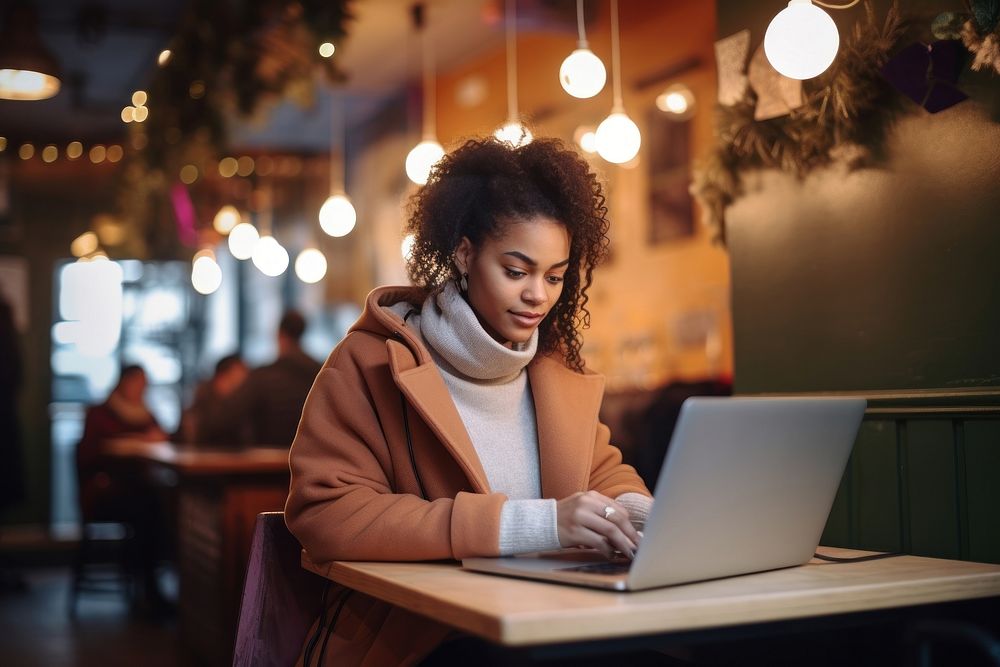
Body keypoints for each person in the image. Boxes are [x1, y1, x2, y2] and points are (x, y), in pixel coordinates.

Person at [285, 136, 653, 666]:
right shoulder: (369, 363)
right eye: (516, 271)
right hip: (417, 638)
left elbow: (603, 473)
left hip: (552, 622)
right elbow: (325, 512)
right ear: (463, 253)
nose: (538, 297)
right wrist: (531, 526)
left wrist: (641, 514)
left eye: (555, 276)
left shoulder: (555, 373)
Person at [76, 364, 170, 613]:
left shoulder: (145, 413)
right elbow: (88, 456)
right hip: (106, 493)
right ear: (124, 382)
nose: (141, 388)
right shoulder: (100, 413)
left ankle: (151, 589)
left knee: (159, 504)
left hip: (136, 490)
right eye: (137, 382)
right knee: (149, 509)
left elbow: (163, 435)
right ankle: (147, 590)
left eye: (144, 384)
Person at [200, 311, 321, 446]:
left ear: (279, 335)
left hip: (266, 462)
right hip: (310, 460)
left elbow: (223, 419)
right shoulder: (320, 373)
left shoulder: (263, 377)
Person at [174, 353, 249, 445]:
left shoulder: (239, 401)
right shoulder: (203, 400)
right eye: (241, 372)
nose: (245, 378)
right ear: (222, 376)